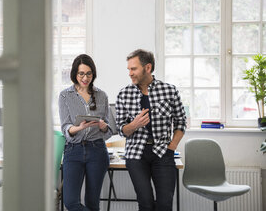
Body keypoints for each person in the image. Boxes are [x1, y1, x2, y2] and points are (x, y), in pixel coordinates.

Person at [115, 49, 186, 211]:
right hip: (136, 155)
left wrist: (172, 146)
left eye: (133, 69)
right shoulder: (123, 94)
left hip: (163, 153)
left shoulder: (169, 90)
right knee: (145, 204)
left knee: (164, 205)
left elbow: (181, 121)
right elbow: (121, 129)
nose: (130, 73)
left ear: (147, 68)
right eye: (129, 69)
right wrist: (134, 125)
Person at [58, 54, 113, 211]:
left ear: (93, 74)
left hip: (97, 150)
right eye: (81, 73)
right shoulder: (65, 96)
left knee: (92, 203)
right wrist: (79, 127)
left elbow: (108, 130)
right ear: (75, 73)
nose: (85, 77)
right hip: (73, 151)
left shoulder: (101, 95)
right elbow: (65, 127)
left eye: (89, 73)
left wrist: (103, 126)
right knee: (70, 202)